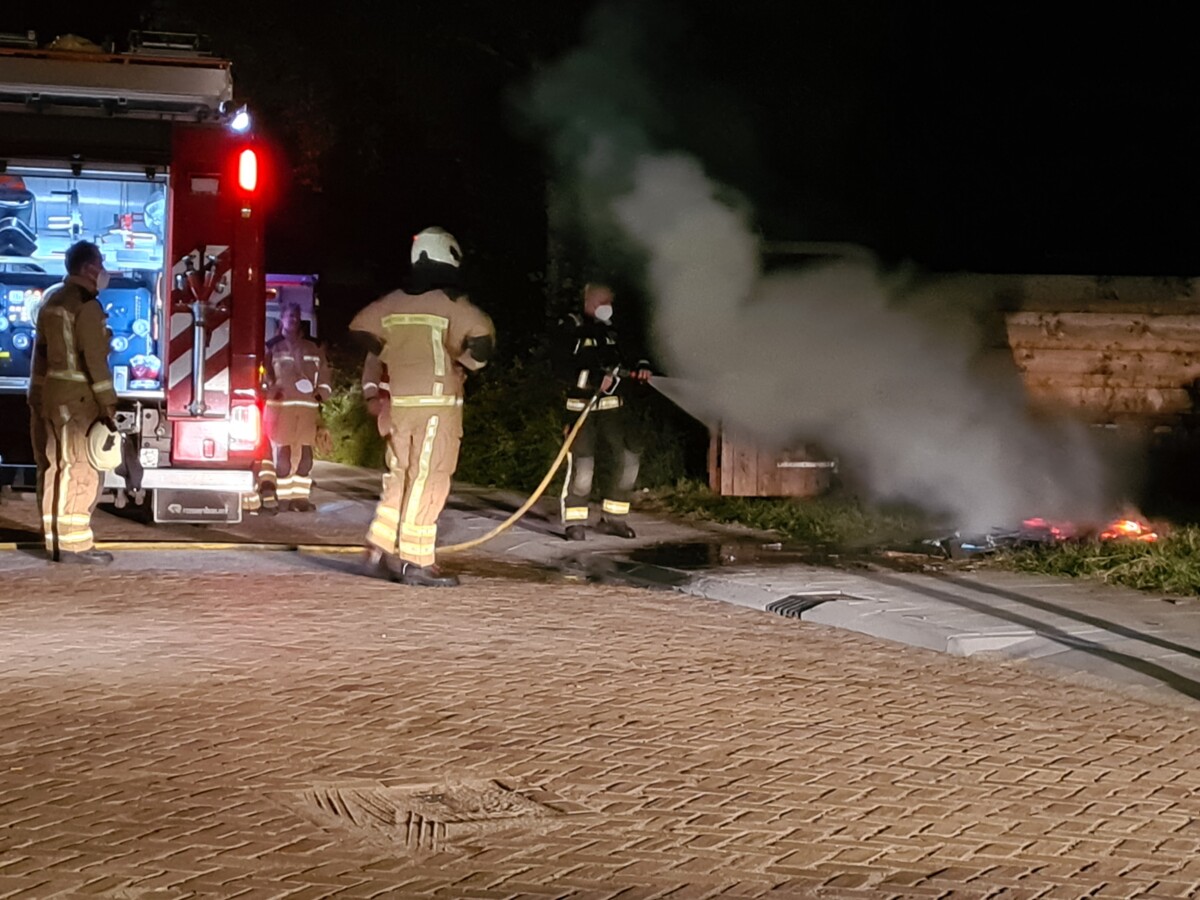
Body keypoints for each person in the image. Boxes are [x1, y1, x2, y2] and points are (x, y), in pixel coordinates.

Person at [350, 227, 495, 587]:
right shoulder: (449, 303)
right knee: (429, 478)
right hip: (437, 404)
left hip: (401, 403)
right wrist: (458, 358)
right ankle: (416, 561)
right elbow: (482, 342)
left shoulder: (393, 302)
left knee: (400, 473)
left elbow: (360, 329)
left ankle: (379, 545)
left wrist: (394, 353)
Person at [27, 240, 118, 564]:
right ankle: (74, 546)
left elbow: (40, 355)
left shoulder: (52, 301)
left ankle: (53, 540)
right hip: (77, 402)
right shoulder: (87, 306)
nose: (104, 270)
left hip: (50, 397)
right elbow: (94, 358)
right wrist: (108, 403)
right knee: (79, 469)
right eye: (101, 263)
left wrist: (36, 395)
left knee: (52, 467)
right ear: (89, 268)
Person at [553, 282, 652, 541]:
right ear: (585, 301)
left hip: (612, 408)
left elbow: (630, 352)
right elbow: (560, 367)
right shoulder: (570, 327)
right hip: (581, 407)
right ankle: (575, 522)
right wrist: (593, 378)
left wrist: (641, 365)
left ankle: (614, 519)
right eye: (599, 302)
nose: (604, 308)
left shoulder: (613, 330)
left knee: (628, 458)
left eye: (608, 302)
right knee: (583, 466)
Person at [261, 302, 332, 512]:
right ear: (281, 318)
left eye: (296, 316)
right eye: (289, 316)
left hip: (307, 410)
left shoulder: (313, 346)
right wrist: (271, 391)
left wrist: (322, 393)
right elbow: (263, 375)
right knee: (282, 460)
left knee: (306, 459)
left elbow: (325, 374)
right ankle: (284, 499)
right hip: (281, 411)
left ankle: (300, 499)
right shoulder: (272, 346)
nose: (292, 319)